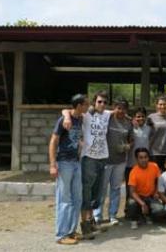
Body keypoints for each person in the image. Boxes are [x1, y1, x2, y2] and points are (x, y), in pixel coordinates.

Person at [62, 90, 110, 238]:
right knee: (87, 190)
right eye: (99, 101)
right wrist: (66, 117)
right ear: (94, 103)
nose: (102, 104)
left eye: (104, 102)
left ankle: (92, 221)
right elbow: (66, 110)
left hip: (103, 157)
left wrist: (130, 117)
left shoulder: (107, 115)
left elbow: (119, 111)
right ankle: (85, 226)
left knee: (97, 191)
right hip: (89, 157)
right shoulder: (86, 115)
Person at [49, 94, 88, 245]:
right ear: (79, 105)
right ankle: (61, 235)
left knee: (77, 198)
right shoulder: (63, 120)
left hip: (76, 163)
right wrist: (53, 165)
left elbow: (66, 110)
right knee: (64, 199)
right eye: (85, 104)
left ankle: (71, 231)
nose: (87, 107)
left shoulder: (80, 118)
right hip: (64, 163)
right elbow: (53, 141)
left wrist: (80, 142)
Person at [93, 99, 133, 226]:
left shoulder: (128, 123)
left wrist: (128, 146)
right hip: (105, 160)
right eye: (118, 108)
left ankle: (112, 215)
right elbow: (95, 110)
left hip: (120, 161)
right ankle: (97, 215)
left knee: (115, 189)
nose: (121, 111)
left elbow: (131, 139)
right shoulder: (107, 118)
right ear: (114, 108)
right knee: (102, 188)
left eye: (123, 108)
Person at [127, 147, 165, 229]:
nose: (144, 160)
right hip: (138, 197)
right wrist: (142, 203)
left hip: (150, 196)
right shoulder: (133, 172)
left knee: (160, 210)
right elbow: (132, 192)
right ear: (137, 159)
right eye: (141, 157)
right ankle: (135, 219)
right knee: (131, 203)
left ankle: (147, 215)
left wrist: (156, 192)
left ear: (148, 157)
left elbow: (159, 180)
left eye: (145, 157)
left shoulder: (154, 166)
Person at [126, 107, 153, 198]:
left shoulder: (149, 129)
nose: (140, 118)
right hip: (131, 163)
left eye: (142, 116)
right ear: (134, 117)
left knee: (143, 187)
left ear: (145, 117)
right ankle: (129, 207)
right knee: (130, 188)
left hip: (144, 164)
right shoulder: (130, 127)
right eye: (138, 116)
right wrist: (130, 120)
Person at [148, 96, 166, 170]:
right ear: (157, 105)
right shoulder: (151, 117)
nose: (162, 106)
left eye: (164, 104)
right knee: (155, 176)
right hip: (154, 152)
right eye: (160, 104)